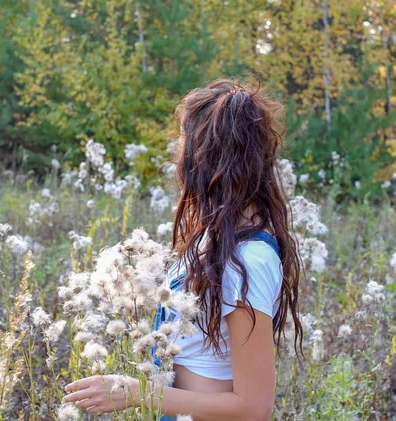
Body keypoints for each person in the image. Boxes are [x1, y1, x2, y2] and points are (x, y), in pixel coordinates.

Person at [61, 77, 304, 421]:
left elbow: (254, 408)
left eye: (185, 139)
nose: (177, 150)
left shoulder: (247, 259)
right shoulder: (217, 239)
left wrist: (137, 393)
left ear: (209, 156)